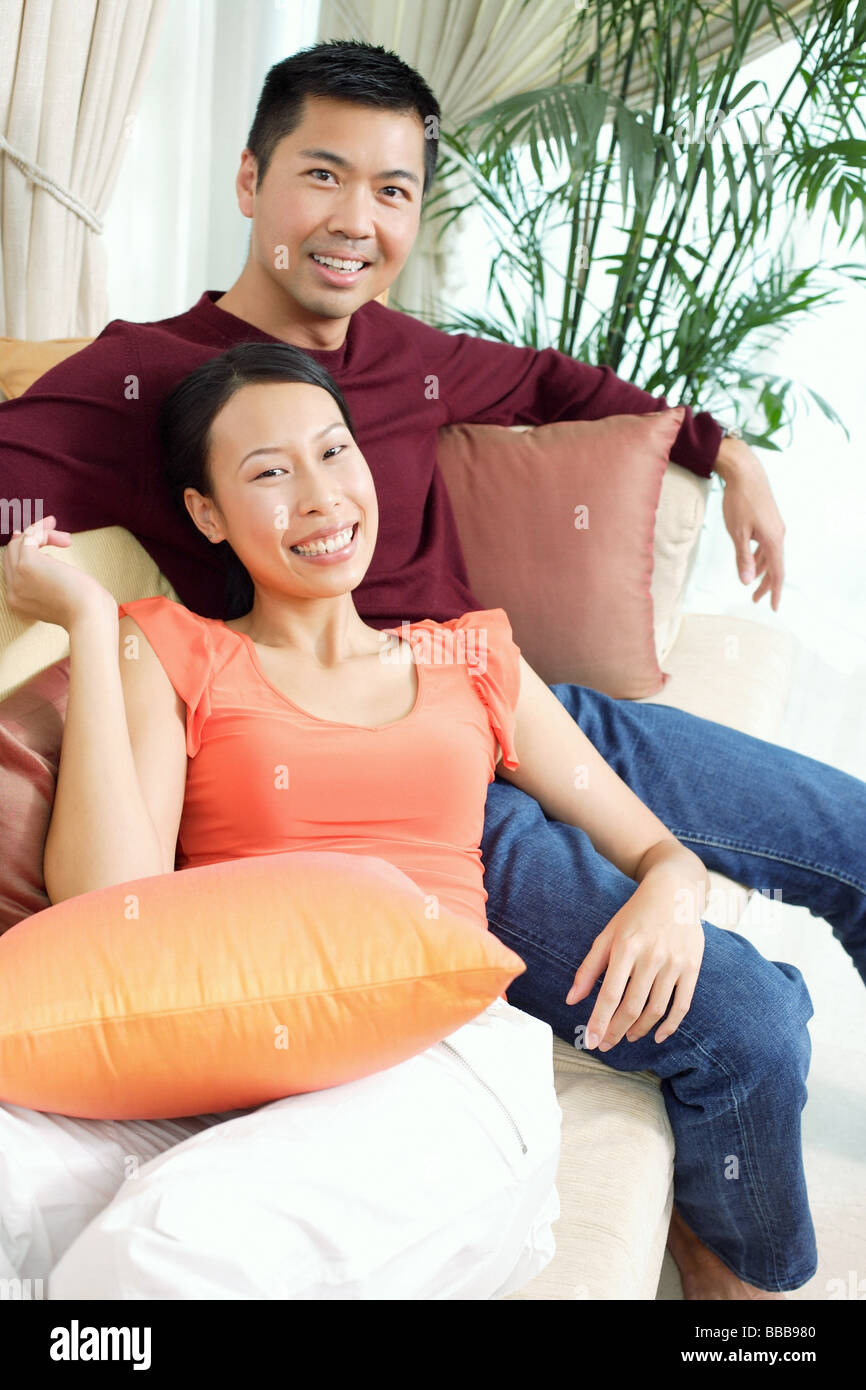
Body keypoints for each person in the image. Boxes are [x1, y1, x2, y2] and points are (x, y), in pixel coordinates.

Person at [0, 38, 863, 1298]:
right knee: (735, 1019)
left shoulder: (407, 352)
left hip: (501, 691)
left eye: (393, 189)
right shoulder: (151, 377)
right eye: (322, 176)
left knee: (848, 833)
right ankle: (735, 1268)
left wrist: (719, 448)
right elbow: (14, 471)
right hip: (393, 784)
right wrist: (57, 586)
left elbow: (553, 383)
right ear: (248, 181)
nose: (356, 221)